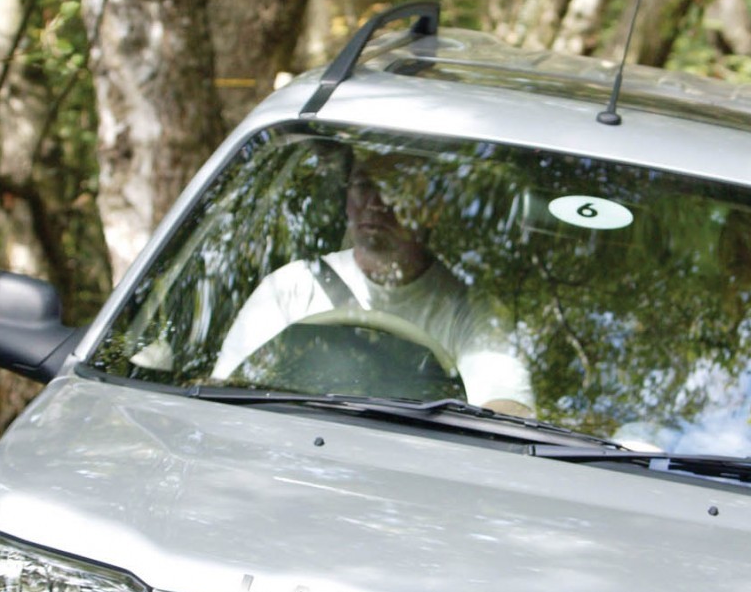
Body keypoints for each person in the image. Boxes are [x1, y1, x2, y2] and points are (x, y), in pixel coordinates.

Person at [212, 158, 534, 413]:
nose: (375, 202)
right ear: (347, 200)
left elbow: (505, 412)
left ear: (431, 210)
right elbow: (224, 393)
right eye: (364, 185)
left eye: (395, 187)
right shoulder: (293, 286)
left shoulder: (468, 310)